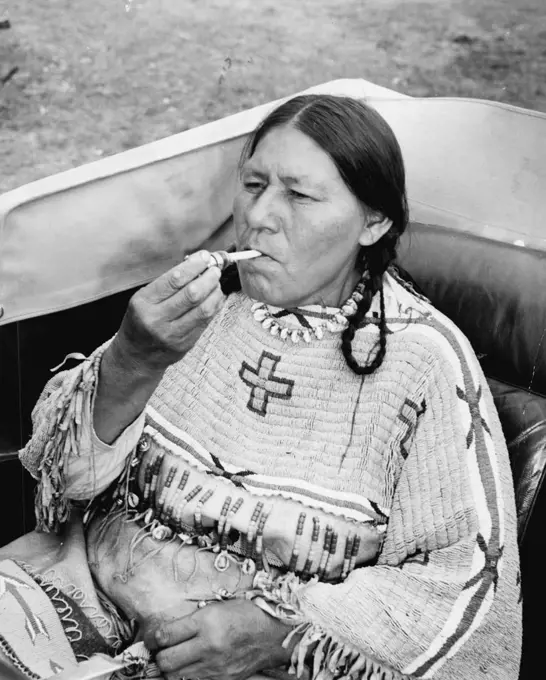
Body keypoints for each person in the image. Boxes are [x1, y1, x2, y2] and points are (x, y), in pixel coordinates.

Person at [0, 94, 521, 680]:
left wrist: (281, 632)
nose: (261, 217)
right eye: (253, 184)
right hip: (78, 595)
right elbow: (64, 482)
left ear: (373, 222)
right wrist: (131, 360)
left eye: (298, 196)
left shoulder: (422, 362)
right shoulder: (197, 303)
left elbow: (462, 594)